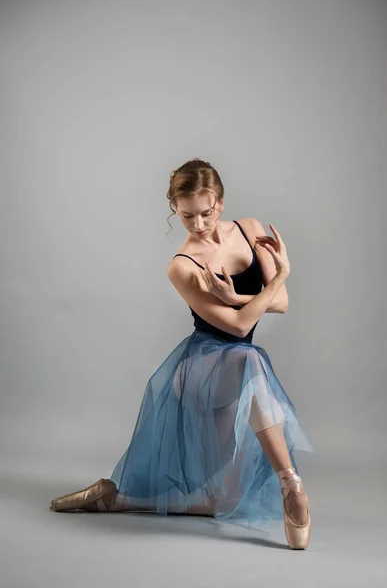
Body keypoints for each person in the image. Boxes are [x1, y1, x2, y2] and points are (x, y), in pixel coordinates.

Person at [50, 158, 314, 549]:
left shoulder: (251, 230)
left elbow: (283, 303)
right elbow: (240, 328)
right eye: (187, 215)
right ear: (174, 207)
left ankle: (113, 499)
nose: (199, 224)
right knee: (250, 356)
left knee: (222, 501)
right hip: (202, 370)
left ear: (220, 204)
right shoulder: (182, 266)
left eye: (206, 213)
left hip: (241, 369)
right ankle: (292, 486)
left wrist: (241, 295)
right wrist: (279, 277)